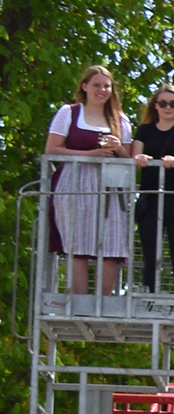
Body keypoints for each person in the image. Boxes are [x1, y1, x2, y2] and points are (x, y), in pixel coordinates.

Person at [45, 65, 136, 299]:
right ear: (84, 87)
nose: (102, 90)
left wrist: (118, 148)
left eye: (106, 86)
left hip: (111, 186)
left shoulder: (120, 119)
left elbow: (130, 160)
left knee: (113, 242)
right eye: (96, 85)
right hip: (75, 182)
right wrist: (89, 155)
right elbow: (52, 150)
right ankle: (80, 300)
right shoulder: (70, 112)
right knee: (78, 242)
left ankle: (105, 301)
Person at [131, 85, 174, 294]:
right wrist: (140, 159)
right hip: (150, 196)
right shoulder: (144, 130)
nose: (167, 107)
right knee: (150, 250)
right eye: (163, 103)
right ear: (155, 106)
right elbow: (134, 159)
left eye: (173, 103)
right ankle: (149, 291)